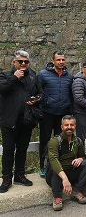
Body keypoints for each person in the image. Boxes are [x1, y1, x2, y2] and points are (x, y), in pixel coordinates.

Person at [0, 50, 43, 193]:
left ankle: (20, 175)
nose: (23, 64)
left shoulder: (32, 75)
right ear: (14, 62)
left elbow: (40, 93)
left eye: (26, 62)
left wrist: (36, 100)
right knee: (8, 150)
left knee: (22, 149)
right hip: (9, 119)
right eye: (20, 61)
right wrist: (14, 77)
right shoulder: (5, 75)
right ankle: (6, 178)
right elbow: (2, 88)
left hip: (27, 119)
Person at [37, 51, 74, 177]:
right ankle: (43, 166)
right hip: (47, 113)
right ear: (53, 61)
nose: (61, 62)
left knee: (62, 141)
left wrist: (70, 112)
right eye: (58, 60)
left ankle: (60, 165)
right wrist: (42, 108)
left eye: (63, 59)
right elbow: (39, 92)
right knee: (45, 140)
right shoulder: (43, 75)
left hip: (63, 114)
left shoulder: (69, 76)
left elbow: (71, 95)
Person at [46, 115, 86, 211]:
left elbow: (83, 156)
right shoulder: (54, 141)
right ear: (62, 127)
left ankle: (77, 190)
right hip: (56, 175)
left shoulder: (78, 141)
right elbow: (53, 160)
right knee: (55, 167)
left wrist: (80, 159)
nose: (69, 127)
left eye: (71, 125)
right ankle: (57, 197)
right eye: (66, 125)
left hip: (71, 171)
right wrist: (64, 178)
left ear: (75, 126)